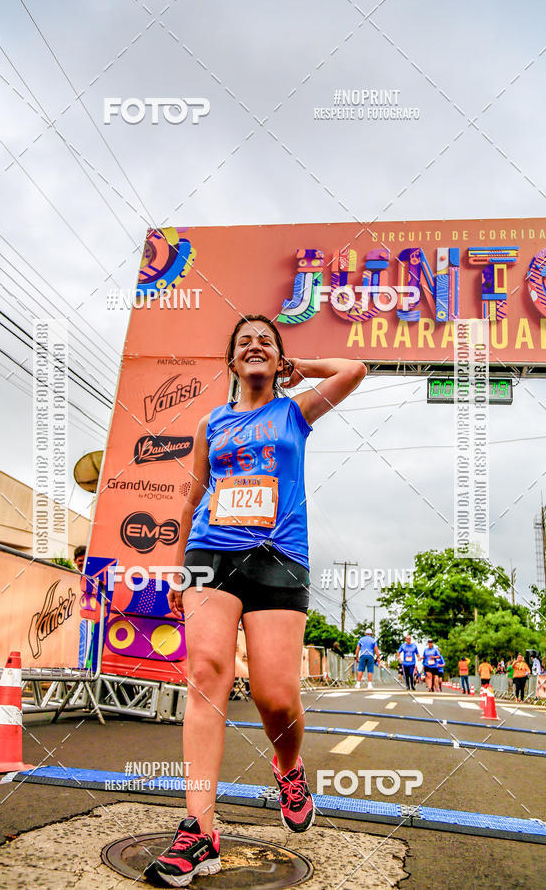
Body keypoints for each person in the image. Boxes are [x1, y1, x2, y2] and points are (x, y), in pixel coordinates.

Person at [144, 314, 366, 886]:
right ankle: (198, 830)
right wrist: (177, 568)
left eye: (266, 341)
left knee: (274, 696)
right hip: (208, 554)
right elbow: (195, 491)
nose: (255, 346)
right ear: (232, 361)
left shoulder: (295, 410)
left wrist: (301, 369)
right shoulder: (211, 422)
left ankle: (288, 766)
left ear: (278, 358)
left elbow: (354, 369)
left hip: (277, 556)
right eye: (244, 342)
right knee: (206, 674)